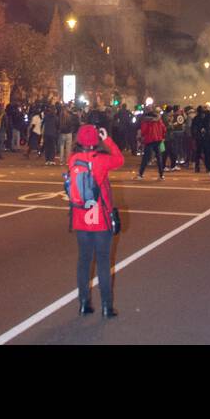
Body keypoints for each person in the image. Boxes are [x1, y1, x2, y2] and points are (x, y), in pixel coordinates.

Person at [66, 123, 123, 318]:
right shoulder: (102, 160)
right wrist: (107, 139)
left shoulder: (73, 160)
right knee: (103, 261)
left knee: (84, 261)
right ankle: (107, 306)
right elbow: (119, 160)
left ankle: (84, 303)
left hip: (81, 218)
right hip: (101, 218)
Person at [138, 107, 166, 179]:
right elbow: (163, 128)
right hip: (158, 139)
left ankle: (140, 174)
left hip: (149, 140)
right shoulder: (159, 119)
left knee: (145, 157)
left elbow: (143, 131)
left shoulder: (145, 121)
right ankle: (161, 174)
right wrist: (162, 136)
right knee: (159, 157)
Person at [58, 102, 78, 167]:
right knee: (68, 148)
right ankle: (67, 161)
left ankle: (61, 161)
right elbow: (72, 124)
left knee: (61, 147)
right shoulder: (70, 116)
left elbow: (58, 125)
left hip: (62, 133)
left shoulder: (60, 117)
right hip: (69, 133)